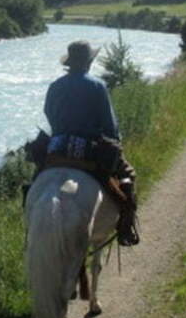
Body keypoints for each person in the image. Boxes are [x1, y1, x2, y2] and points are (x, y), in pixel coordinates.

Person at [43, 40, 139, 246]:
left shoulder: (55, 86)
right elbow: (110, 125)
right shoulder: (97, 86)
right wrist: (115, 142)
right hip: (88, 151)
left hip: (56, 149)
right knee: (128, 175)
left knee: (37, 179)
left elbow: (48, 114)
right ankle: (126, 227)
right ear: (89, 62)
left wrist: (61, 132)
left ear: (69, 62)